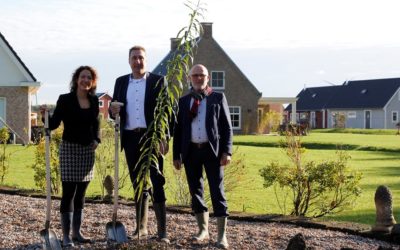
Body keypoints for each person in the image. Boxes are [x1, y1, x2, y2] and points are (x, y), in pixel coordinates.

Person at [109, 45, 169, 243]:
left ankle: (162, 231)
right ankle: (141, 228)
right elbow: (114, 109)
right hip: (130, 137)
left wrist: (163, 137)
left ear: (146, 60)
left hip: (151, 138)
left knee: (157, 181)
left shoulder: (158, 81)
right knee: (138, 184)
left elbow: (166, 111)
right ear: (129, 61)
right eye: (134, 58)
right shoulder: (120, 82)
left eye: (141, 58)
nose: (138, 61)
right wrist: (112, 110)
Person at [173, 64, 233, 249]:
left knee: (217, 191)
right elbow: (179, 130)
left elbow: (227, 127)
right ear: (190, 78)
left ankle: (222, 236)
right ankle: (203, 229)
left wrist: (227, 152)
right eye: (195, 75)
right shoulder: (183, 102)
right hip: (191, 152)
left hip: (212, 152)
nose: (199, 78)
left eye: (202, 75)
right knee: (195, 191)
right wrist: (177, 155)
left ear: (208, 78)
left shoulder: (217, 98)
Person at [40, 66, 100, 247]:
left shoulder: (94, 100)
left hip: (87, 151)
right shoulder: (65, 100)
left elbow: (96, 122)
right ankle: (66, 236)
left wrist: (97, 138)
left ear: (92, 82)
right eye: (83, 77)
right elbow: (54, 123)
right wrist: (45, 117)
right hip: (69, 150)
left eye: (89, 77)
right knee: (68, 193)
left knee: (81, 193)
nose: (85, 80)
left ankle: (77, 233)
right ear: (76, 80)